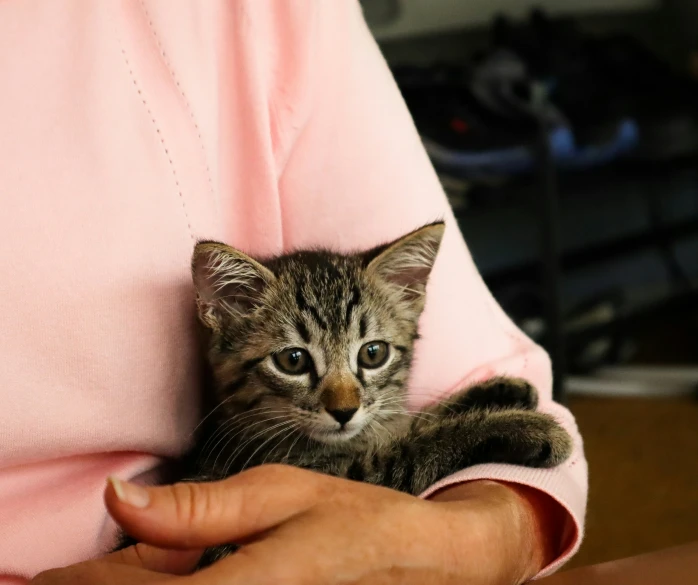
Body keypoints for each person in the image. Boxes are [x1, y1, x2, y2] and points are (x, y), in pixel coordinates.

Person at [0, 2, 587, 583]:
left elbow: (371, 470)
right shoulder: (244, 451)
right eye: (294, 361)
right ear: (224, 314)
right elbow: (365, 476)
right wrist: (466, 436)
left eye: (372, 356)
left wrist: (491, 520)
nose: (342, 398)